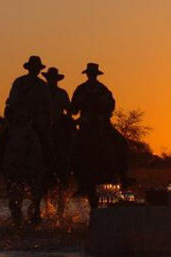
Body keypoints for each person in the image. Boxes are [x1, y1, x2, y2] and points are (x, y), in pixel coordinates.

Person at [70, 63, 129, 209]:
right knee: (73, 147)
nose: (92, 75)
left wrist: (104, 113)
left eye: (93, 73)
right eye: (90, 73)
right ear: (87, 74)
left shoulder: (103, 89)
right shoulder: (80, 89)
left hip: (103, 122)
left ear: (96, 75)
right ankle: (78, 179)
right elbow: (74, 109)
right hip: (85, 124)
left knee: (121, 142)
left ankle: (123, 175)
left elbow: (112, 105)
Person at [0, 56, 52, 178]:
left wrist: (42, 118)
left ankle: (49, 168)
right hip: (18, 119)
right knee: (1, 137)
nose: (35, 70)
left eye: (36, 68)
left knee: (46, 141)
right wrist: (15, 114)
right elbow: (12, 100)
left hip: (36, 120)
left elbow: (47, 106)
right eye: (33, 68)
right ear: (29, 68)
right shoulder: (19, 82)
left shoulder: (43, 86)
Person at [41, 67, 74, 220]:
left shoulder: (62, 94)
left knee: (74, 141)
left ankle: (73, 167)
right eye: (50, 78)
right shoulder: (39, 91)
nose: (52, 80)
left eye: (54, 78)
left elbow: (69, 109)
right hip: (41, 125)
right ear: (47, 78)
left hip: (58, 127)